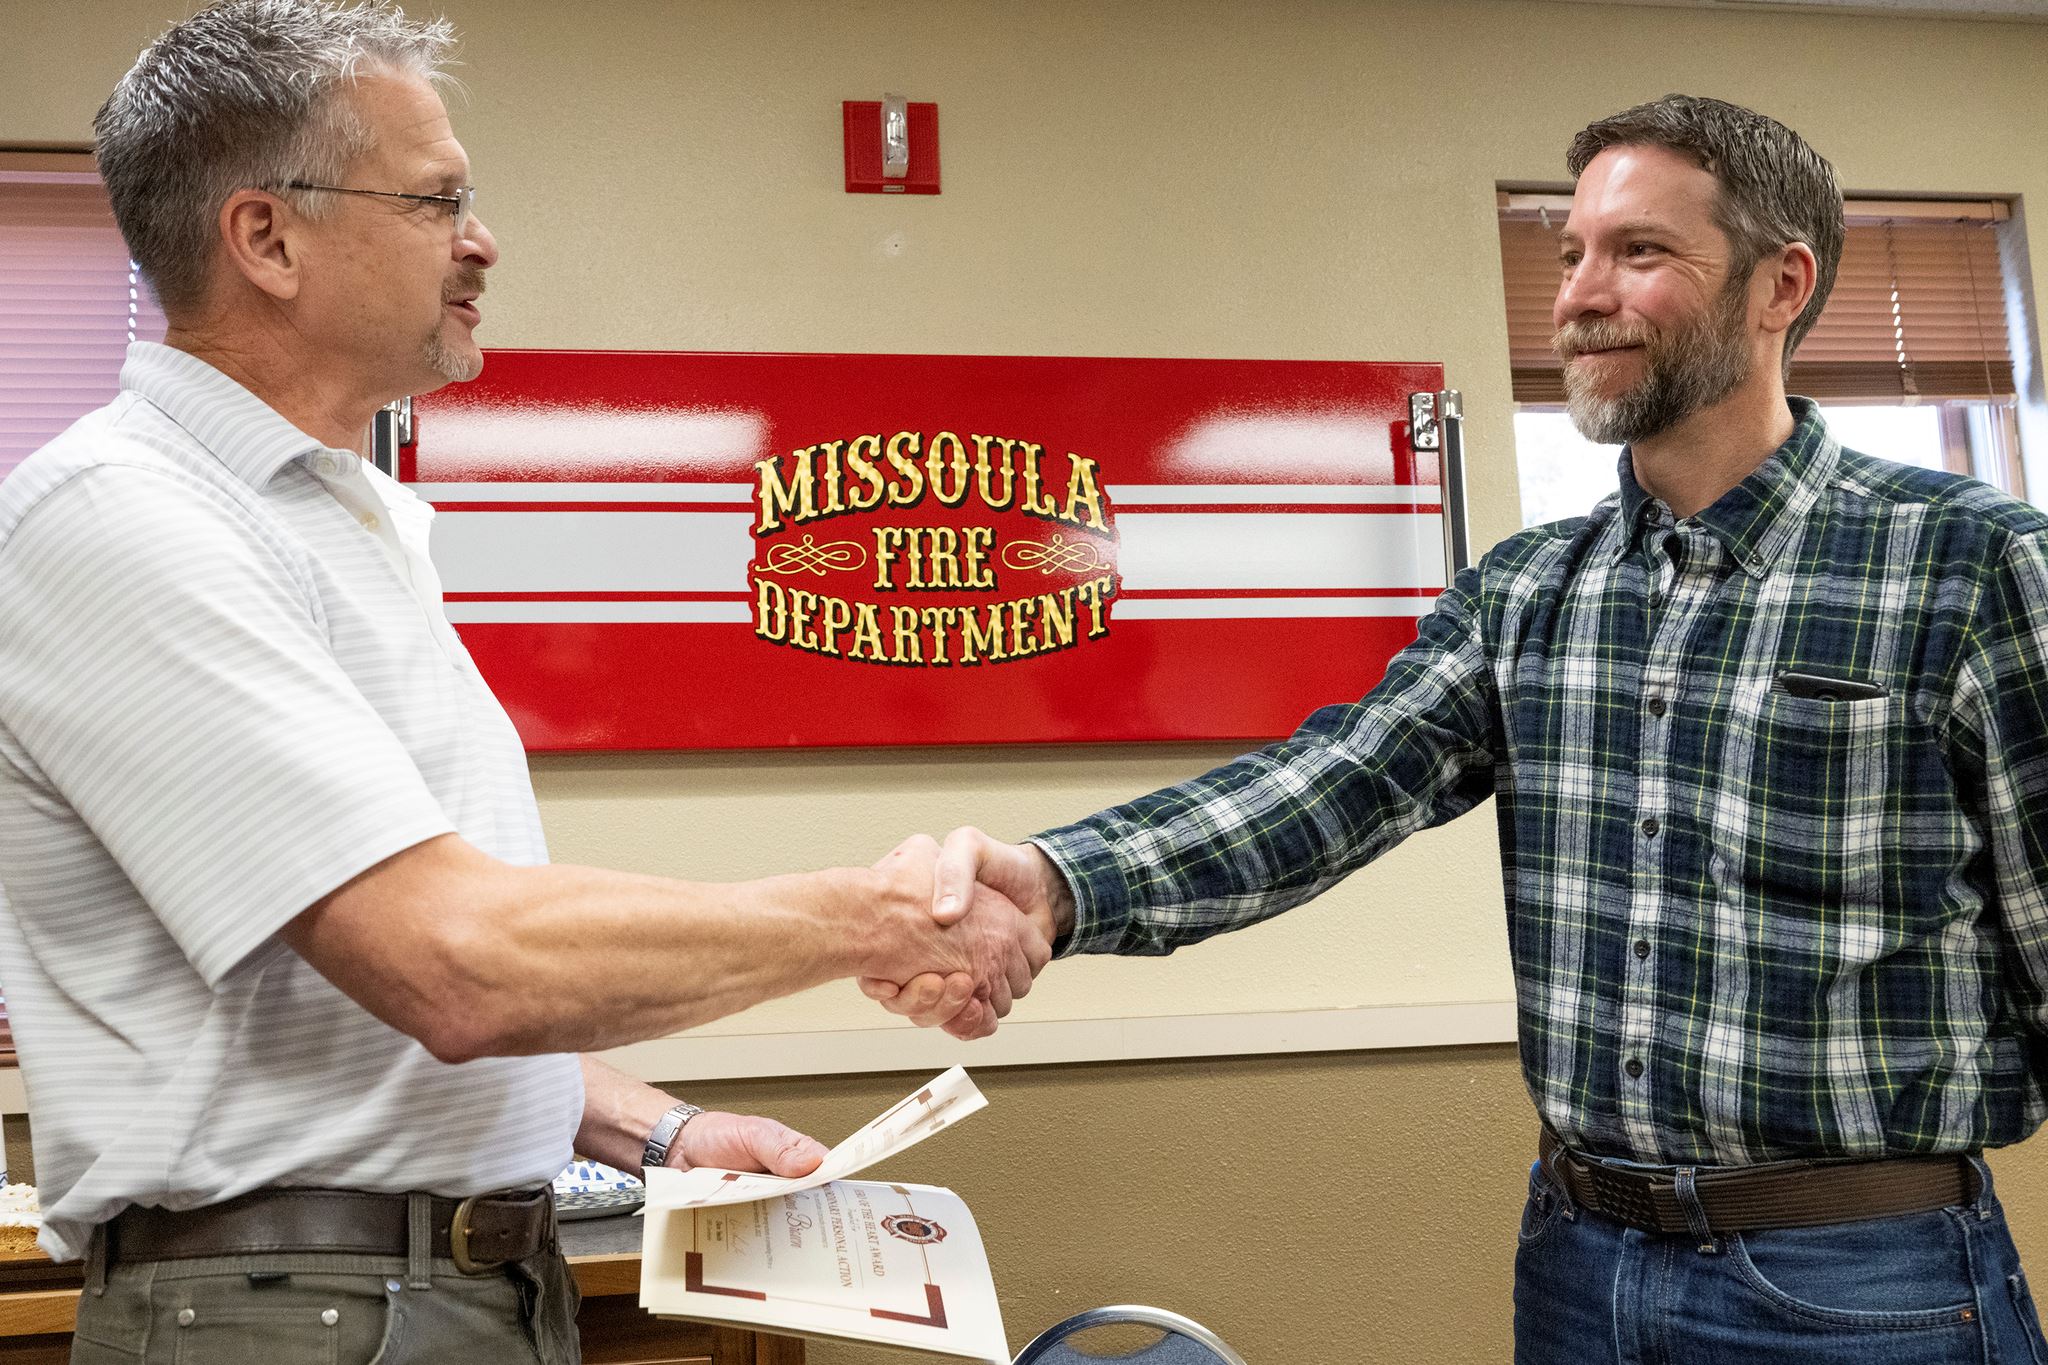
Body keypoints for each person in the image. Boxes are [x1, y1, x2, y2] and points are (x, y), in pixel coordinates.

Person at [873, 94, 2048, 1363]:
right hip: (1577, 1261)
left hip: (1859, 1282)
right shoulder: (1525, 590)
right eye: (1568, 255)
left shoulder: (1972, 565)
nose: (1578, 295)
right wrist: (1050, 885)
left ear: (1780, 285)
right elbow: (1330, 783)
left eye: (1637, 253)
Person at [0, 3, 1046, 1361]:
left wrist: (656, 1130)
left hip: (469, 1283)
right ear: (266, 238)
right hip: (289, 1313)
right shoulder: (122, 519)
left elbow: (368, 1024)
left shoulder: (353, 523)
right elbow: (456, 964)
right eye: (438, 202)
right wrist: (877, 918)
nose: (480, 242)